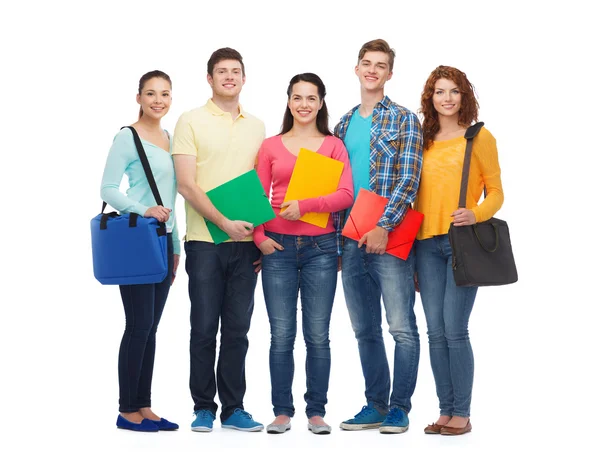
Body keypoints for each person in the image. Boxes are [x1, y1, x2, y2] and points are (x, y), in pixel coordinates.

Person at [254, 73, 354, 435]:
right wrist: (260, 238)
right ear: (288, 101)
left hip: (321, 248)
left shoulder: (332, 145)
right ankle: (282, 411)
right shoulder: (271, 146)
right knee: (281, 335)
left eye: (311, 98)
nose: (304, 105)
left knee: (317, 334)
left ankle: (316, 411)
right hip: (277, 249)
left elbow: (346, 194)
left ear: (321, 102)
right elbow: (256, 198)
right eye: (297, 98)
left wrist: (307, 204)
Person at [172, 47, 265, 433]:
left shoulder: (257, 126)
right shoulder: (190, 121)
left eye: (236, 71)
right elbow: (186, 185)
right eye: (222, 71)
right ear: (209, 79)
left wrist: (258, 237)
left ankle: (234, 408)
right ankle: (203, 407)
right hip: (204, 242)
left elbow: (261, 188)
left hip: (245, 246)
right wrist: (224, 222)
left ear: (244, 78)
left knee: (238, 331)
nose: (230, 76)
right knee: (204, 326)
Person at [334, 39, 423, 434]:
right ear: (356, 69)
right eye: (366, 63)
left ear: (389, 74)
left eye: (380, 65)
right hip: (348, 239)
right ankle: (375, 404)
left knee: (401, 326)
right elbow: (334, 187)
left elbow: (409, 178)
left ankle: (399, 408)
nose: (372, 70)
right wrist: (334, 240)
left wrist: (384, 226)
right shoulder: (342, 123)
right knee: (364, 328)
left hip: (388, 237)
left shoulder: (404, 119)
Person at [414, 65, 504, 436]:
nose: (446, 98)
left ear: (464, 96)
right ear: (430, 98)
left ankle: (462, 413)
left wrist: (476, 212)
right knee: (435, 331)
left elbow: (496, 192)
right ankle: (445, 410)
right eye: (439, 92)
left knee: (455, 329)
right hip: (424, 244)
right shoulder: (422, 138)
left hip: (460, 244)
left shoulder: (478, 138)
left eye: (454, 91)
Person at [100, 70, 180, 432]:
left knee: (151, 328)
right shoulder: (127, 137)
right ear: (138, 98)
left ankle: (144, 405)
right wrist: (143, 209)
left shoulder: (169, 137)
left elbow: (173, 200)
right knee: (138, 325)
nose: (158, 100)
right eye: (151, 93)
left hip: (164, 241)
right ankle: (126, 409)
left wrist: (176, 246)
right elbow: (108, 188)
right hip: (138, 240)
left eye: (164, 94)